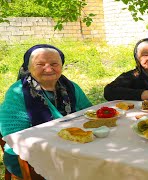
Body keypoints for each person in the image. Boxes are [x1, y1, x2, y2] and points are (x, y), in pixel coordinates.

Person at [0, 44, 92, 178]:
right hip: (28, 154)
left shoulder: (71, 87)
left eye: (54, 63)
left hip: (71, 144)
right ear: (29, 68)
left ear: (61, 66)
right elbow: (12, 133)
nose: (48, 69)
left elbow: (88, 113)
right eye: (40, 64)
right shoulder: (19, 92)